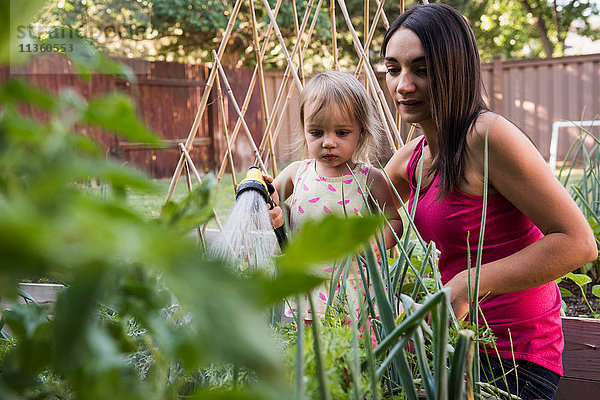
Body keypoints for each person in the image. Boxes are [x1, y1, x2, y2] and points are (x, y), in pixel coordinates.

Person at [381, 3, 597, 399]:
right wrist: (284, 193)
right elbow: (365, 213)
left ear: (454, 70)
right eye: (394, 69)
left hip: (517, 360)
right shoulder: (412, 158)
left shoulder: (487, 137)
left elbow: (578, 242)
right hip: (458, 348)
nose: (403, 85)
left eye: (422, 69)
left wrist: (465, 285)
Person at [266, 70, 403, 324]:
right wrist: (272, 207)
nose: (328, 142)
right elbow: (271, 200)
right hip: (310, 283)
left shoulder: (370, 178)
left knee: (358, 348)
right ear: (305, 130)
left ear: (360, 132)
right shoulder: (297, 174)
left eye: (341, 133)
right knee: (314, 349)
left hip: (356, 285)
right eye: (317, 132)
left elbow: (395, 223)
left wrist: (379, 239)